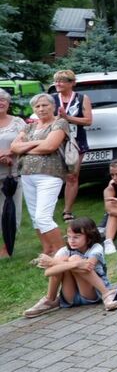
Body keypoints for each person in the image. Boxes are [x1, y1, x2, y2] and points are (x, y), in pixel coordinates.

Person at [23, 217, 117, 317]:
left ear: (89, 237)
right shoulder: (64, 250)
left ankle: (107, 294)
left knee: (73, 258)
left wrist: (57, 262)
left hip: (91, 294)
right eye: (69, 237)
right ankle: (49, 300)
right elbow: (48, 273)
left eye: (76, 237)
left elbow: (88, 266)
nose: (71, 240)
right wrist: (74, 264)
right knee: (68, 260)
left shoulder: (96, 248)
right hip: (70, 298)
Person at [10, 94, 68, 256]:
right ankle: (48, 251)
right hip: (27, 174)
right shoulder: (29, 127)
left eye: (44, 105)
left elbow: (50, 146)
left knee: (43, 217)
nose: (41, 109)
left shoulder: (60, 123)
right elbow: (14, 147)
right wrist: (37, 143)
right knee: (35, 217)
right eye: (37, 106)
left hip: (49, 175)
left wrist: (26, 149)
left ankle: (62, 254)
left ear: (53, 106)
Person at [51, 70, 93, 224]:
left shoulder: (82, 98)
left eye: (62, 81)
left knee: (72, 176)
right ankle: (47, 210)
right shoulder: (51, 99)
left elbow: (88, 121)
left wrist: (67, 118)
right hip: (54, 141)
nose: (58, 84)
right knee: (53, 175)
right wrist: (57, 119)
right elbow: (45, 120)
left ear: (72, 83)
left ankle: (67, 211)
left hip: (75, 142)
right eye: (56, 81)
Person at [0, 91, 26, 258]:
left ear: (8, 103)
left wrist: (9, 153)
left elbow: (26, 142)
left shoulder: (18, 122)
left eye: (2, 100)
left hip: (12, 173)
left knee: (11, 210)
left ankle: (7, 246)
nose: (0, 103)